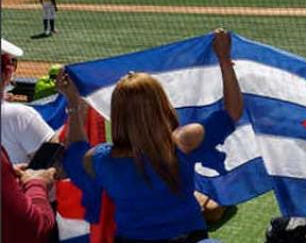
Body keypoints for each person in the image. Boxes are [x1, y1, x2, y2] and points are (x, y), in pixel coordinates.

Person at [58, 29, 244, 242]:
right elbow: (233, 113)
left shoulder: (101, 160)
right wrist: (224, 59)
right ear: (161, 105)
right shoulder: (182, 142)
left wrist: (73, 103)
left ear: (118, 114)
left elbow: (74, 155)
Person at [1, 38, 57, 243]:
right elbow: (53, 157)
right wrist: (35, 182)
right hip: (27, 216)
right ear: (7, 73)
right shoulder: (20, 115)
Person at [1, 40, 58, 165]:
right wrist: (75, 108)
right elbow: (55, 160)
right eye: (12, 64)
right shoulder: (19, 116)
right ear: (7, 74)